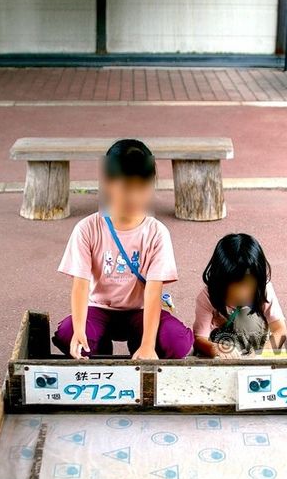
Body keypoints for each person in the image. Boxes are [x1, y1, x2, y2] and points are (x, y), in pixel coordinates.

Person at [52, 139, 194, 360]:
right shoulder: (87, 228)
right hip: (98, 310)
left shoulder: (157, 233)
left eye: (142, 188)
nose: (134, 197)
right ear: (108, 183)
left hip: (140, 311)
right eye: (127, 188)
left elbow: (153, 291)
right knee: (68, 333)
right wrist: (79, 330)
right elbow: (80, 285)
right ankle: (100, 355)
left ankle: (139, 346)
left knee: (177, 342)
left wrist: (148, 344)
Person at [193, 233, 287, 358]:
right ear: (219, 283)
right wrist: (215, 348)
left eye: (248, 286)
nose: (242, 294)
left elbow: (280, 330)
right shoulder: (207, 295)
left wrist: (262, 354)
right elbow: (199, 338)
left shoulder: (264, 289)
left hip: (254, 340)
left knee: (247, 318)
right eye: (234, 291)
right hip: (223, 341)